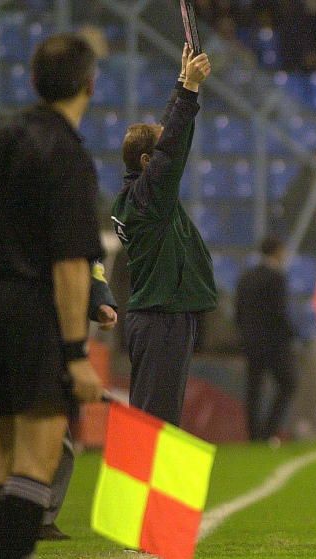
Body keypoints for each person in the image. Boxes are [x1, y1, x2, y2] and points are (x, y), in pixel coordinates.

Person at [0, 34, 105, 559]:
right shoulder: (66, 153)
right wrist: (76, 353)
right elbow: (71, 266)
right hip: (34, 317)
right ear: (88, 85)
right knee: (35, 459)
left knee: (2, 459)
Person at [0, 262, 117, 543]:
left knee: (57, 443)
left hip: (46, 340)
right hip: (5, 330)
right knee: (1, 437)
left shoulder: (66, 226)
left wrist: (101, 302)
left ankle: (39, 518)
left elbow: (86, 268)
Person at [112, 44, 216, 426]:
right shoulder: (148, 199)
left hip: (159, 317)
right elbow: (171, 150)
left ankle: (146, 490)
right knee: (154, 424)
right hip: (160, 320)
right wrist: (188, 88)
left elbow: (172, 142)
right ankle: (141, 490)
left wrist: (182, 84)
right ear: (145, 162)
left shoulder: (139, 198)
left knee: (152, 420)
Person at [234, 237, 299, 444]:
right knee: (288, 383)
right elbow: (278, 313)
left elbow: (238, 313)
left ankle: (254, 436)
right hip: (273, 344)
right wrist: (293, 335)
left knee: (254, 389)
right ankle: (268, 431)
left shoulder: (246, 277)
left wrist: (243, 335)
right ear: (277, 251)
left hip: (251, 343)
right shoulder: (276, 278)